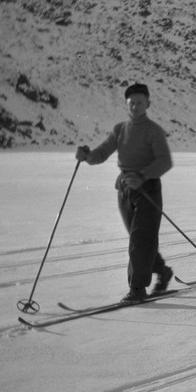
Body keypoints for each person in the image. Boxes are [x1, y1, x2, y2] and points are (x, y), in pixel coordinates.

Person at [75, 83, 174, 303]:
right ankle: (163, 271)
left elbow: (165, 161)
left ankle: (137, 288)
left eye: (140, 102)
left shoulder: (154, 130)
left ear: (148, 103)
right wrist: (87, 155)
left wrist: (143, 175)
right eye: (132, 103)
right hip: (125, 190)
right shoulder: (120, 129)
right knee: (139, 239)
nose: (136, 106)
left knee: (140, 241)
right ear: (126, 104)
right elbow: (102, 152)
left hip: (147, 189)